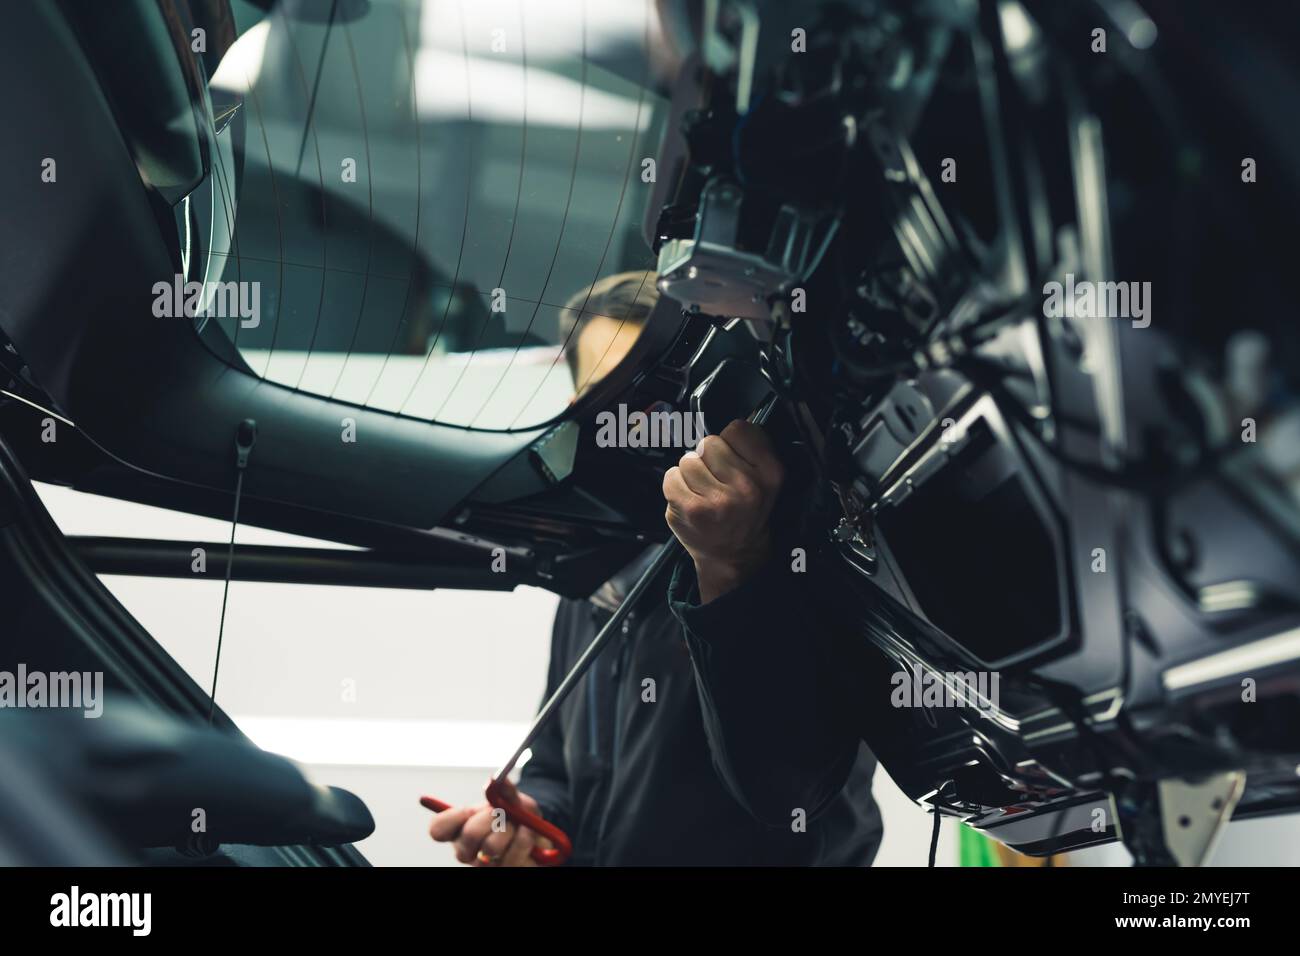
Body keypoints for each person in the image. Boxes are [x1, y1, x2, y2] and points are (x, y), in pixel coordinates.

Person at [426, 271, 882, 865]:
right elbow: (561, 770)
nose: (643, 424)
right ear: (578, 408)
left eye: (660, 397)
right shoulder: (594, 568)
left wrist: (732, 564)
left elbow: (796, 791)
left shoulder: (799, 552)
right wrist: (533, 820)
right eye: (613, 397)